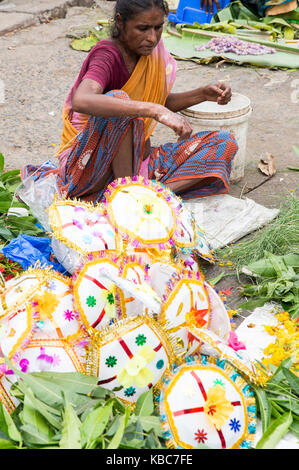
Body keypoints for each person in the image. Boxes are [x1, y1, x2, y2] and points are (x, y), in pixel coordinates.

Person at [22, 0, 238, 203]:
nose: (152, 38)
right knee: (119, 102)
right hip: (88, 168)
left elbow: (157, 102)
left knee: (224, 142)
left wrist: (201, 94)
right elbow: (82, 99)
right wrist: (152, 110)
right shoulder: (107, 55)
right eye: (143, 29)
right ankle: (126, 201)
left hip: (139, 163)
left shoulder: (152, 54)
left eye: (158, 28)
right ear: (120, 22)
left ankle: (148, 196)